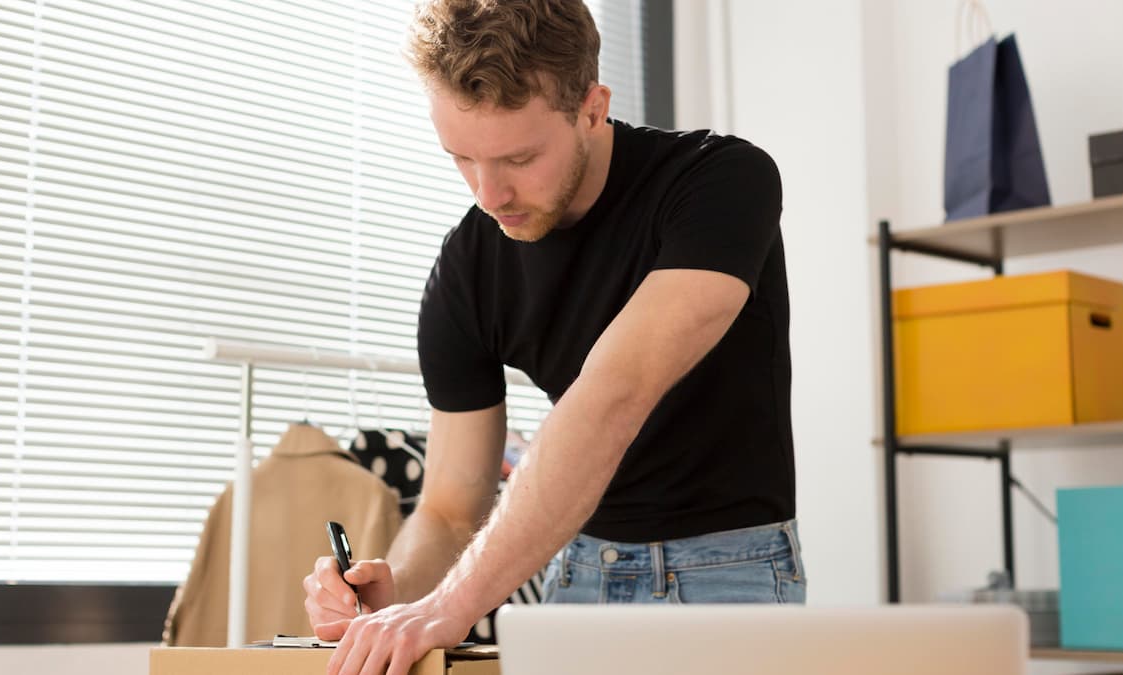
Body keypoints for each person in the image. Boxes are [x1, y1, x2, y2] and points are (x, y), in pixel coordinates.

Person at [304, 1, 803, 673]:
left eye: (518, 157)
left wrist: (452, 603)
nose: (489, 193)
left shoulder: (719, 183)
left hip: (730, 569)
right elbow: (452, 508)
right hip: (578, 577)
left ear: (592, 108)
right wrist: (400, 588)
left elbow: (614, 394)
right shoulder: (467, 269)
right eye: (461, 158)